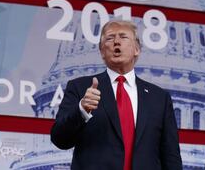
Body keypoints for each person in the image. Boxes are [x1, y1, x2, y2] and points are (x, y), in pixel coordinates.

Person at [51, 20, 182, 170]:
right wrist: (81, 110)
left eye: (123, 37)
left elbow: (171, 156)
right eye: (110, 38)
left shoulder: (159, 98)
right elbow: (59, 139)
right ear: (102, 52)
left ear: (137, 49)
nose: (116, 42)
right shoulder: (80, 88)